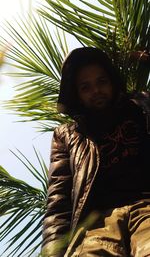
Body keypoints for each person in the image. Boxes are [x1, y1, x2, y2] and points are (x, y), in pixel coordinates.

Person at [42, 47, 150, 257]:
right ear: (78, 95)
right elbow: (58, 200)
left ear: (112, 81)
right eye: (86, 87)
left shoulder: (142, 105)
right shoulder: (66, 135)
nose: (96, 91)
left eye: (101, 82)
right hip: (97, 223)